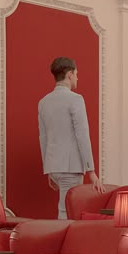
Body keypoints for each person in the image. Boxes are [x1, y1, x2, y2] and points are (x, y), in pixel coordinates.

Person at [39, 57, 104, 219]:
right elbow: (82, 135)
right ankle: (64, 244)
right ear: (69, 74)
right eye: (76, 74)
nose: (77, 78)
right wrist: (91, 171)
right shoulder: (76, 99)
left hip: (54, 167)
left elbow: (43, 137)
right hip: (71, 167)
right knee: (67, 211)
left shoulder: (44, 102)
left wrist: (48, 169)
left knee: (64, 209)